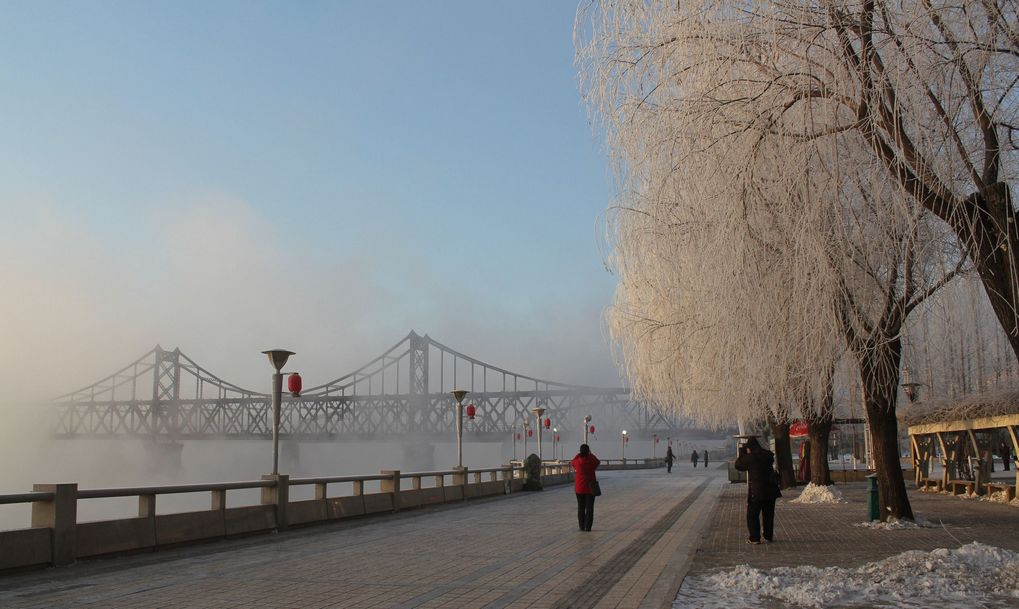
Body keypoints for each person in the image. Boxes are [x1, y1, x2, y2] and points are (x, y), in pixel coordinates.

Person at [734, 437, 781, 544]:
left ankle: (755, 538)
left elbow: (738, 465)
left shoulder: (750, 458)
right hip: (770, 490)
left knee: (752, 515)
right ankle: (768, 536)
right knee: (768, 514)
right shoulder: (767, 455)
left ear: (749, 448)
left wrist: (742, 453)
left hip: (757, 491)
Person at [570, 444, 601, 531]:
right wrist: (590, 454)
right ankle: (588, 527)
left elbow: (572, 462)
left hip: (579, 488)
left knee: (581, 508)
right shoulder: (592, 460)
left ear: (580, 451)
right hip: (590, 488)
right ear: (588, 451)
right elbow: (598, 461)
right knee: (590, 508)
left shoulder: (577, 461)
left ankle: (581, 526)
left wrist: (578, 454)